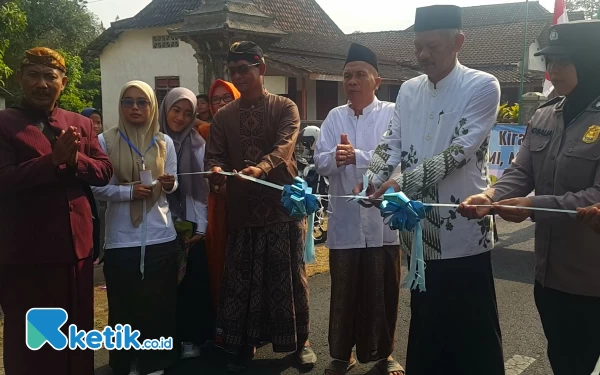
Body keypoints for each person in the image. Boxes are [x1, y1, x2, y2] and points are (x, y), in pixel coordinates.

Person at [362, 6, 504, 374]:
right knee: (426, 324)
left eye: (433, 46)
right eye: (418, 47)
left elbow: (459, 151)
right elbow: (391, 140)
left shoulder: (483, 85)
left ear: (458, 42)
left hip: (464, 231)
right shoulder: (409, 90)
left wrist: (400, 183)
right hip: (418, 234)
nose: (423, 55)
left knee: (472, 327)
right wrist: (373, 179)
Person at [460, 20, 600, 375]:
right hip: (548, 274)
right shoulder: (546, 114)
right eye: (549, 60)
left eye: (563, 62)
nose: (552, 70)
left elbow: (596, 194)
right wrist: (489, 197)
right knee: (563, 358)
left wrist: (533, 206)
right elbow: (521, 173)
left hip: (591, 277)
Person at [205, 41, 317, 372]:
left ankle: (300, 343)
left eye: (245, 69)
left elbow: (285, 146)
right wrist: (215, 173)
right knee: (242, 282)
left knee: (289, 281)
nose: (239, 76)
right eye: (234, 70)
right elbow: (215, 156)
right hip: (241, 212)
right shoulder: (224, 117)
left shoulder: (285, 107)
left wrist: (261, 168)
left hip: (281, 208)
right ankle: (243, 344)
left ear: (261, 69)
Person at [0, 47, 113, 375]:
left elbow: (104, 171)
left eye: (50, 76)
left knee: (75, 332)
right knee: (33, 339)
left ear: (63, 83)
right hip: (27, 253)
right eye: (33, 74)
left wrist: (75, 160)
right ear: (20, 79)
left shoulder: (77, 123)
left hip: (76, 249)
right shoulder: (6, 124)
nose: (41, 83)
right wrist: (52, 161)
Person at [315, 43, 403, 375]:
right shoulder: (335, 116)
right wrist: (336, 158)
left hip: (382, 223)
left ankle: (384, 354)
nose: (352, 81)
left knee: (383, 290)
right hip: (346, 224)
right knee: (344, 293)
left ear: (376, 81)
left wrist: (358, 156)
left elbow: (399, 158)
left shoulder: (393, 113)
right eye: (347, 75)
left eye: (359, 75)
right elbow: (320, 161)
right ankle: (341, 354)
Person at [92, 80, 179, 375]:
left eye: (142, 102)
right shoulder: (105, 142)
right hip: (122, 241)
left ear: (152, 106)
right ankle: (126, 362)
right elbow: (96, 188)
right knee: (123, 307)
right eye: (127, 101)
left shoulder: (165, 143)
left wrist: (169, 183)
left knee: (158, 305)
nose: (135, 108)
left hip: (160, 236)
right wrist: (128, 192)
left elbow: (173, 182)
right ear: (120, 106)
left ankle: (154, 362)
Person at [158, 87, 212, 359]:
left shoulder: (197, 145)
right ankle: (170, 339)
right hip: (161, 225)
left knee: (191, 284)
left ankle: (192, 338)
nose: (179, 117)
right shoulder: (153, 141)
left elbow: (201, 190)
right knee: (166, 287)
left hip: (189, 224)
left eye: (187, 113)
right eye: (175, 110)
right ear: (165, 108)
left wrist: (201, 227)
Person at [196, 79, 241, 312]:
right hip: (218, 204)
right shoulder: (203, 132)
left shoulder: (248, 128)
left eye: (227, 98)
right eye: (216, 99)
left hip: (247, 203)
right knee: (220, 259)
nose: (221, 103)